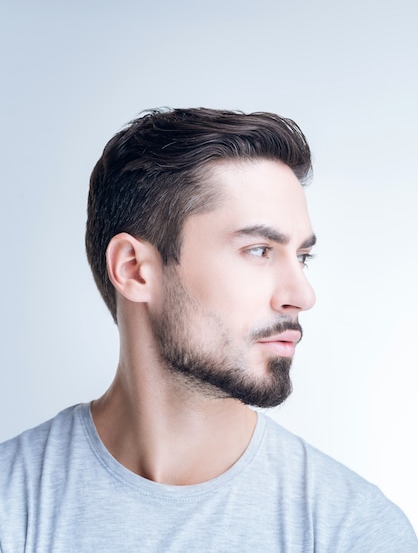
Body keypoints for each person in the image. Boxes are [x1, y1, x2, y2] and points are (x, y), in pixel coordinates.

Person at [0, 108, 416, 552]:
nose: (302, 294)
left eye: (303, 256)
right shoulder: (13, 507)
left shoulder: (352, 531)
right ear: (135, 270)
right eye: (259, 250)